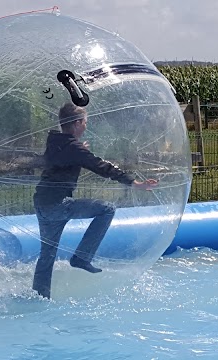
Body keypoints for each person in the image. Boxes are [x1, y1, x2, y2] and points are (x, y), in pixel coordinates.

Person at [32, 103, 158, 299]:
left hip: (41, 203)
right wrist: (134, 183)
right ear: (76, 123)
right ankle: (82, 257)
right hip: (58, 204)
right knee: (107, 209)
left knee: (47, 255)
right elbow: (102, 167)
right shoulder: (73, 148)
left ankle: (39, 297)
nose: (86, 127)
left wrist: (78, 150)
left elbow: (61, 157)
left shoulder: (55, 141)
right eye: (84, 122)